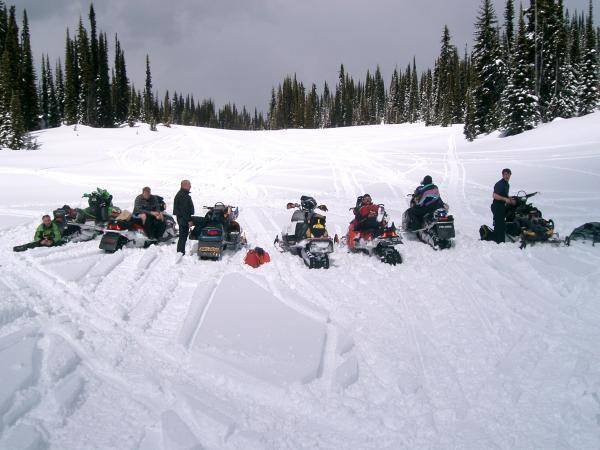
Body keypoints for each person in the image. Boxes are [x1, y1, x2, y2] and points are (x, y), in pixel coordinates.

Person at [491, 168, 515, 243]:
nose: (507, 176)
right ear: (502, 175)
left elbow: (504, 195)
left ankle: (499, 239)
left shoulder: (507, 184)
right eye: (505, 174)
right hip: (497, 206)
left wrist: (510, 199)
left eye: (508, 174)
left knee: (501, 224)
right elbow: (494, 195)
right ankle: (499, 242)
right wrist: (505, 199)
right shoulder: (500, 184)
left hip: (501, 206)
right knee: (499, 224)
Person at [173, 180, 194, 255]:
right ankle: (180, 252)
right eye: (189, 185)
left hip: (183, 218)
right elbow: (184, 210)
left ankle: (181, 252)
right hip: (183, 218)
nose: (190, 186)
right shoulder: (182, 195)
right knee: (183, 236)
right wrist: (189, 220)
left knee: (183, 235)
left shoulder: (183, 194)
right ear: (184, 185)